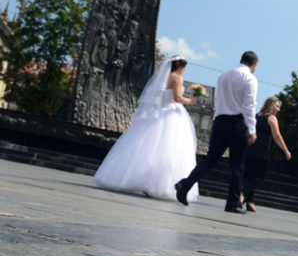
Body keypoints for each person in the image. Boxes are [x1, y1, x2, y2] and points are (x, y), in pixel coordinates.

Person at [94, 56, 199, 201]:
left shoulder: (164, 77)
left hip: (158, 113)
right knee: (169, 150)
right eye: (184, 67)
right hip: (170, 114)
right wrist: (191, 100)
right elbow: (177, 98)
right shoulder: (177, 78)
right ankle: (158, 185)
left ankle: (125, 178)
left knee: (144, 147)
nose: (184, 70)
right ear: (180, 66)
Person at [175, 51, 259, 213]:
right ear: (254, 65)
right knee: (237, 165)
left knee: (210, 159)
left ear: (241, 60)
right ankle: (232, 203)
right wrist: (252, 130)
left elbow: (218, 99)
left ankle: (185, 185)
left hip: (220, 120)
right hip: (237, 122)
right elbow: (249, 106)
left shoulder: (224, 75)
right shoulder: (250, 78)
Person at [241, 96, 292, 212]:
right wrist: (286, 150)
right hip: (261, 151)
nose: (278, 110)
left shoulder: (257, 116)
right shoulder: (272, 118)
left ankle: (250, 201)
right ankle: (243, 193)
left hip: (249, 149)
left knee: (249, 175)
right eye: (277, 106)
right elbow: (277, 136)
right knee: (260, 176)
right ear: (271, 105)